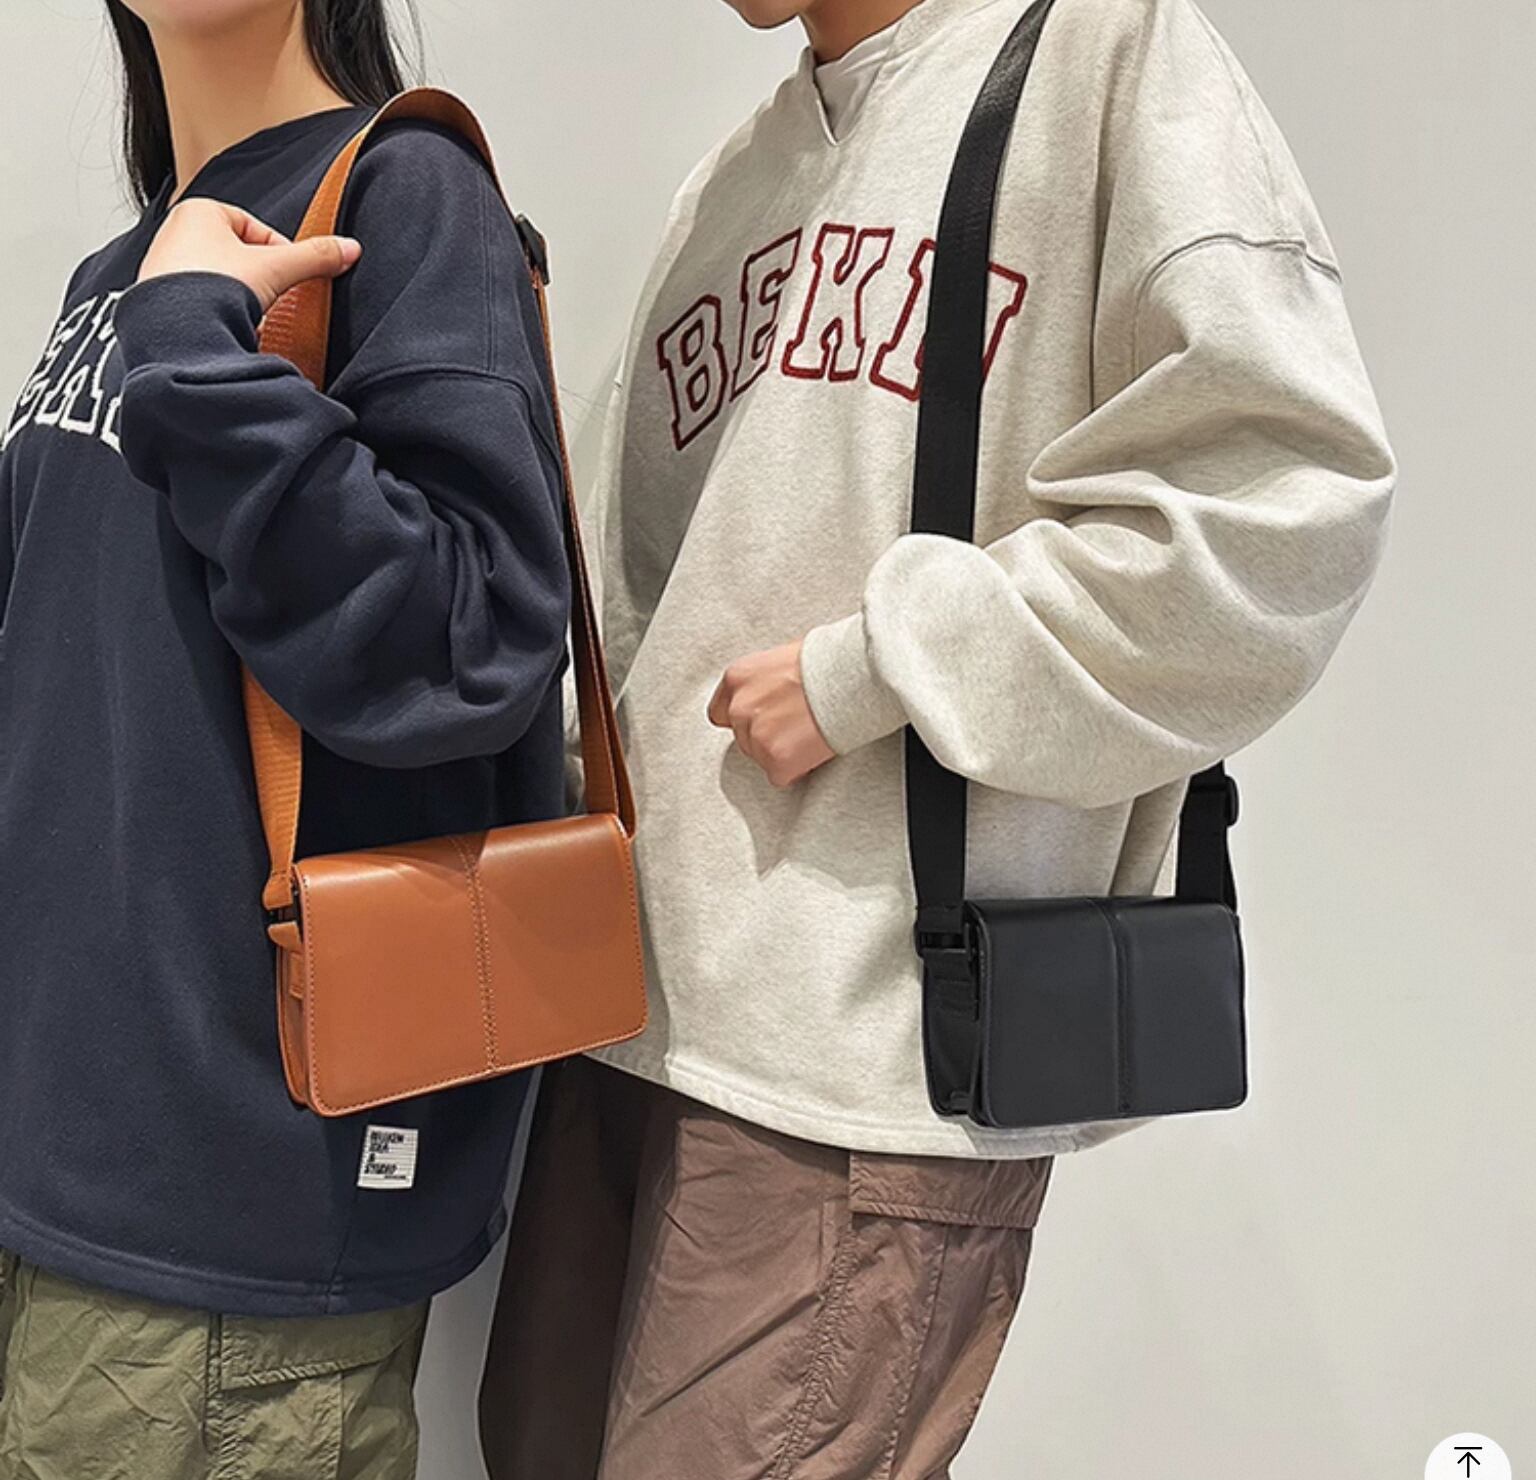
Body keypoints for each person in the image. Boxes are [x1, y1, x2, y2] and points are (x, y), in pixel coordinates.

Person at [479, 0, 1395, 1475]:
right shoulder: (739, 175)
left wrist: (875, 666)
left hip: (862, 1064)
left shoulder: (1105, 52)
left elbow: (1281, 511)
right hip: (627, 1023)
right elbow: (630, 608)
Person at [0, 2, 570, 1475]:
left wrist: (194, 343)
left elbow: (469, 647)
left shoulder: (404, 195)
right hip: (61, 1169)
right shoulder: (125, 271)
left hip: (222, 1223)